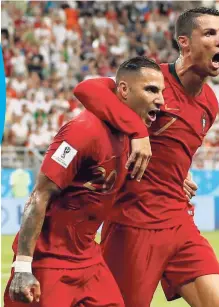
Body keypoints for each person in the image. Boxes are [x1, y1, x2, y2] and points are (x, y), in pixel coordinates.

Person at [74, 7, 219, 307]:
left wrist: (180, 173)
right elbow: (87, 89)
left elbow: (173, 149)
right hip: (133, 223)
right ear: (184, 42)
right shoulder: (151, 80)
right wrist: (138, 131)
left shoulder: (210, 103)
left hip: (178, 221)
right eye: (210, 33)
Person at [4, 56, 165, 307]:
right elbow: (40, 195)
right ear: (123, 90)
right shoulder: (83, 131)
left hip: (89, 260)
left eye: (161, 91)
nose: (161, 100)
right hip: (49, 261)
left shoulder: (131, 137)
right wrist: (23, 267)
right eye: (151, 90)